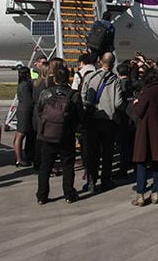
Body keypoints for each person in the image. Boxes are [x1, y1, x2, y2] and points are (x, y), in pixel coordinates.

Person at [35, 66, 81, 204]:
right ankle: (69, 194)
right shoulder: (74, 95)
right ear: (68, 79)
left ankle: (42, 196)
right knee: (67, 165)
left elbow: (40, 111)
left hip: (48, 134)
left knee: (45, 166)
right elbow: (79, 115)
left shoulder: (46, 93)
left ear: (54, 79)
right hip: (66, 135)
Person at [79, 52, 122, 194]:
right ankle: (105, 180)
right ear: (113, 63)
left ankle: (91, 181)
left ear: (99, 61)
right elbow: (118, 102)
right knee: (107, 152)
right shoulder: (115, 79)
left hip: (92, 119)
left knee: (93, 152)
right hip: (108, 120)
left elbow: (83, 96)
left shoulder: (90, 76)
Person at [132, 64, 158, 206]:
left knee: (141, 162)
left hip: (145, 130)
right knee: (157, 161)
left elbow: (139, 111)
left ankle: (140, 194)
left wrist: (135, 103)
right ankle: (156, 192)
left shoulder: (146, 92)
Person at [13, 66, 34, 167]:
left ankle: (19, 157)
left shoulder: (21, 84)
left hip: (22, 109)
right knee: (21, 135)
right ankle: (19, 159)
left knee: (19, 134)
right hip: (25, 111)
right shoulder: (25, 85)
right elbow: (29, 101)